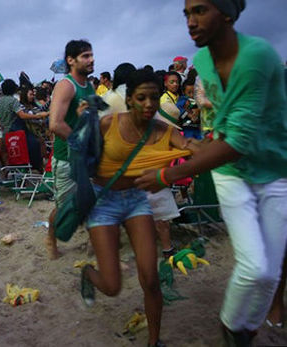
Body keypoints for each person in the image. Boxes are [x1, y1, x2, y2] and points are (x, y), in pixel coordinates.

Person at [136, 1, 287, 344]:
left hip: (275, 171)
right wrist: (206, 142)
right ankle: (233, 330)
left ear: (227, 14)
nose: (191, 21)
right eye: (187, 13)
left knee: (271, 273)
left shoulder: (257, 56)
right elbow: (226, 128)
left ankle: (245, 326)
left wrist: (167, 176)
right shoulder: (203, 60)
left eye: (201, 11)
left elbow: (239, 141)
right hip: (232, 172)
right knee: (255, 267)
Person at [82, 69, 196, 347]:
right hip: (104, 201)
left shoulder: (164, 131)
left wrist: (212, 147)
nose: (148, 104)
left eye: (154, 98)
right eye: (141, 98)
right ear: (129, 99)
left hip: (135, 200)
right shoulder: (109, 123)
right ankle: (87, 273)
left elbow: (189, 145)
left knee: (151, 278)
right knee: (112, 286)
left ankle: (154, 342)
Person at [46, 39, 95, 260]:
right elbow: (55, 124)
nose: (91, 59)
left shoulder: (90, 86)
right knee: (65, 207)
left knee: (92, 202)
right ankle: (51, 238)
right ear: (71, 60)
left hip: (86, 158)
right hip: (67, 158)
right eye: (85, 56)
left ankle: (95, 248)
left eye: (91, 55)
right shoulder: (66, 85)